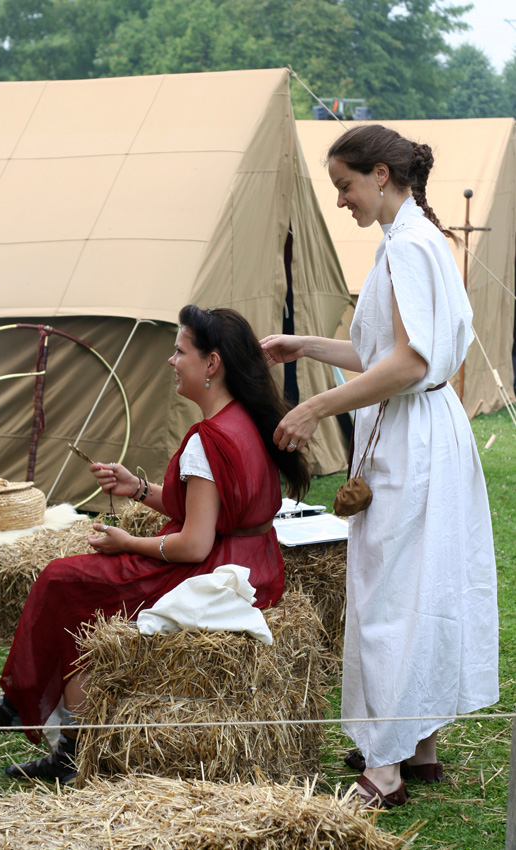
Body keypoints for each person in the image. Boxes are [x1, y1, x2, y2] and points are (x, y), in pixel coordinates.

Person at [0, 305, 310, 784]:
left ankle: (24, 708)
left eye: (180, 351)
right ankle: (54, 731)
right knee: (79, 592)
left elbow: (192, 544)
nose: (170, 361)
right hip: (252, 566)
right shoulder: (247, 421)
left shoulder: (209, 439)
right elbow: (209, 513)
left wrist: (129, 541)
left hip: (208, 572)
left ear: (212, 364)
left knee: (63, 581)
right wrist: (137, 489)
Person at [261, 124, 499, 809]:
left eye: (345, 186)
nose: (342, 201)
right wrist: (304, 345)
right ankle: (415, 746)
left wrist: (314, 410)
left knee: (391, 596)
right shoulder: (408, 241)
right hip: (419, 432)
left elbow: (413, 364)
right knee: (415, 585)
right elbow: (385, 353)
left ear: (382, 177)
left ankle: (386, 767)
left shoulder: (412, 247)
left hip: (414, 438)